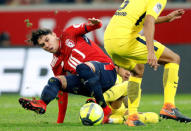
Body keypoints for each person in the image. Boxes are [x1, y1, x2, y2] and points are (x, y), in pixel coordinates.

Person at [104, 0, 190, 126]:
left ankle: (132, 116)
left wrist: (166, 18)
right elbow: (148, 22)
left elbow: (139, 19)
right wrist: (151, 52)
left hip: (109, 41)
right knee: (173, 58)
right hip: (124, 40)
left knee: (137, 70)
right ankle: (169, 106)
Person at [18, 18, 117, 124]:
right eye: (42, 45)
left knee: (82, 68)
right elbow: (62, 94)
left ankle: (105, 110)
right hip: (91, 86)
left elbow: (95, 26)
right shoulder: (56, 63)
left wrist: (97, 23)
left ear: (54, 34)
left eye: (47, 40)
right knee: (55, 81)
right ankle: (42, 103)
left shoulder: (69, 33)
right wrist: (60, 122)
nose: (46, 45)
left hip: (107, 73)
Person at [86, 66, 159, 125]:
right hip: (100, 107)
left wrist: (130, 111)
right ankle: (99, 99)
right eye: (125, 69)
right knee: (130, 85)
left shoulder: (125, 83)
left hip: (112, 113)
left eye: (131, 71)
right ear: (116, 68)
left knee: (154, 117)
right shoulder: (112, 78)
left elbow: (118, 107)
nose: (128, 73)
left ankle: (111, 120)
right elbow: (115, 105)